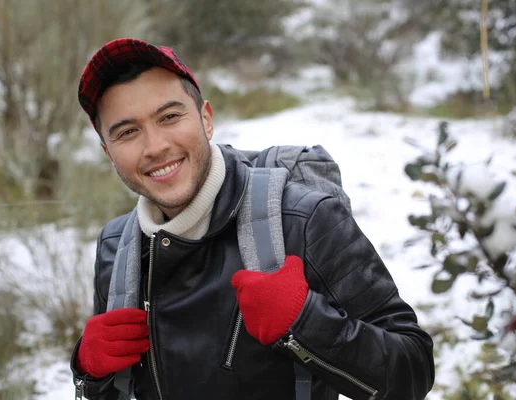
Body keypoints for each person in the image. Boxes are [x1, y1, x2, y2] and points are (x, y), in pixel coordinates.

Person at [71, 37, 435, 400]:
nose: (155, 147)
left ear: (206, 119)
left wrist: (307, 324)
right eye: (127, 132)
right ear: (108, 151)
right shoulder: (116, 248)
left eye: (169, 117)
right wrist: (89, 370)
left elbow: (413, 371)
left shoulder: (302, 219)